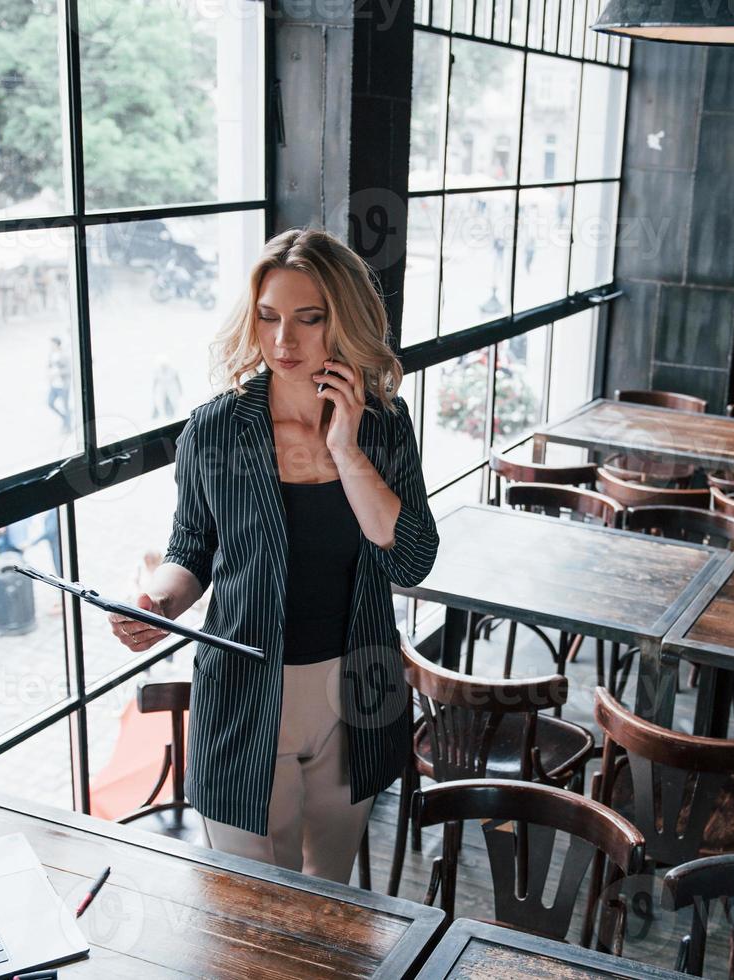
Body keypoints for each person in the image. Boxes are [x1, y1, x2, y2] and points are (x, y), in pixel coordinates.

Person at [107, 228, 439, 885]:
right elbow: (191, 547)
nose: (284, 341)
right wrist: (159, 603)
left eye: (307, 320)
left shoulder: (383, 426)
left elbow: (411, 560)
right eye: (268, 318)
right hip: (242, 693)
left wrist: (345, 449)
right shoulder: (214, 428)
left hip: (354, 690)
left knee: (329, 893)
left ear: (341, 321)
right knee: (253, 900)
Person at [47, 336, 72, 432]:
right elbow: (50, 366)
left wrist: (57, 373)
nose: (51, 346)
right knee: (50, 403)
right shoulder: (51, 354)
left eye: (52, 344)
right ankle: (65, 418)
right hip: (54, 385)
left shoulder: (64, 355)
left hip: (62, 386)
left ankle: (68, 426)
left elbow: (68, 370)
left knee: (65, 406)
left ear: (57, 344)